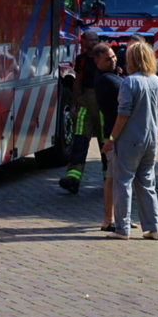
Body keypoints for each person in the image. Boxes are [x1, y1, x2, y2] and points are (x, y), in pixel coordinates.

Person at [101, 41, 158, 240]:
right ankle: (153, 228)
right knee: (147, 183)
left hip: (130, 140)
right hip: (151, 140)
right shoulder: (157, 81)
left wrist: (111, 138)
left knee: (123, 182)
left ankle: (122, 229)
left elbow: (123, 114)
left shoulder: (130, 82)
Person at [59, 30, 103, 194]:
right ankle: (73, 178)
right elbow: (77, 82)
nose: (94, 42)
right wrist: (73, 105)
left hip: (102, 105)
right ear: (83, 42)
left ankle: (109, 179)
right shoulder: (82, 60)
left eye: (96, 39)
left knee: (105, 143)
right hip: (85, 103)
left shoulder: (105, 56)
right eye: (91, 40)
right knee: (79, 140)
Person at [92, 41, 123, 231]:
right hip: (113, 135)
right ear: (97, 62)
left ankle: (120, 216)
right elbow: (127, 88)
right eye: (107, 59)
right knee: (111, 178)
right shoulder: (106, 80)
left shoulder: (111, 76)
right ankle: (108, 219)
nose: (113, 60)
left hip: (116, 134)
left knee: (119, 178)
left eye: (113, 56)